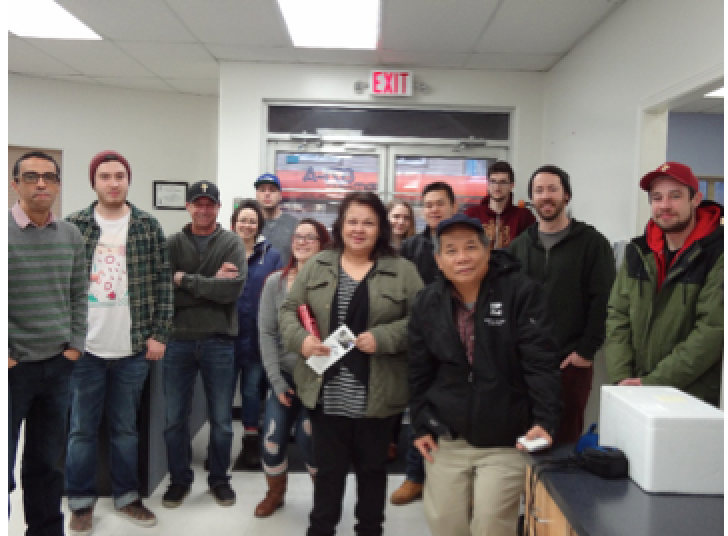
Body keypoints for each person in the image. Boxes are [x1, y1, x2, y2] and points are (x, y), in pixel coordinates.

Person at [280, 191, 424, 536]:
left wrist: (385, 338)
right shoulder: (318, 264)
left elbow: (423, 322)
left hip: (378, 396)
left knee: (373, 474)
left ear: (381, 229)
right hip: (325, 392)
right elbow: (288, 311)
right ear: (341, 224)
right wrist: (303, 341)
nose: (359, 229)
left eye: (369, 223)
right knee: (327, 475)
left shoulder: (402, 271)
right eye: (353, 221)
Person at [409, 214, 561, 536]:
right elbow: (419, 369)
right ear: (438, 260)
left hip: (505, 436)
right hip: (447, 436)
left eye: (470, 247)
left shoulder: (521, 293)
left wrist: (545, 420)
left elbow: (541, 362)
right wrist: (421, 423)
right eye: (450, 250)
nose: (461, 257)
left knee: (492, 525)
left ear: (488, 250)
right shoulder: (427, 302)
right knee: (445, 524)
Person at [64, 150, 173, 532]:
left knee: (126, 429)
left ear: (129, 180)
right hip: (85, 349)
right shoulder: (74, 225)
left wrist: (159, 333)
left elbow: (163, 282)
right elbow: (61, 286)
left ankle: (127, 497)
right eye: (105, 176)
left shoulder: (147, 226)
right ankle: (79, 502)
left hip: (133, 348)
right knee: (81, 429)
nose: (113, 182)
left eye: (120, 176)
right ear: (94, 181)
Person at [8, 151, 88, 536]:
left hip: (57, 366)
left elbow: (78, 295)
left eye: (48, 177)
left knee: (46, 464)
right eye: (31, 177)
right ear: (15, 183)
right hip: (12, 368)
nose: (41, 183)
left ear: (57, 185)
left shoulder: (71, 234)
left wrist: (74, 347)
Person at [507, 165, 615, 443]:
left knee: (565, 438)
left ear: (566, 195)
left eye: (553, 189)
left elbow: (603, 301)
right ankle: (529, 489)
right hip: (525, 363)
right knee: (525, 436)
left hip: (571, 361)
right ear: (531, 198)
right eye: (539, 190)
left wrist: (586, 351)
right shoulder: (518, 247)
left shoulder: (593, 244)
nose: (546, 196)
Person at [606, 162, 723, 406]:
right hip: (636, 391)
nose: (665, 205)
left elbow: (712, 330)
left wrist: (652, 383)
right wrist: (622, 378)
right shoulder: (637, 251)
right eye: (657, 197)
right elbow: (618, 316)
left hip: (693, 398)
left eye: (675, 196)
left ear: (696, 199)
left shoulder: (718, 254)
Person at [162, 181, 247, 508]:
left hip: (218, 342)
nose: (203, 209)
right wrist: (211, 283)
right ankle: (179, 480)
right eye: (197, 204)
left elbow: (231, 292)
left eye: (209, 204)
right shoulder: (171, 244)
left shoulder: (231, 243)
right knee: (174, 419)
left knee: (223, 421)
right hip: (178, 341)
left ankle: (220, 480)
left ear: (218, 207)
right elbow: (165, 293)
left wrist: (184, 279)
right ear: (188, 207)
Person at [254, 218, 331, 517]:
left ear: (322, 245)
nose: (301, 241)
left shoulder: (333, 284)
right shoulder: (275, 282)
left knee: (310, 438)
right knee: (272, 437)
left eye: (310, 237)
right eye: (298, 236)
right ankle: (275, 494)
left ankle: (323, 499)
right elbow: (266, 333)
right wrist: (275, 380)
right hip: (284, 375)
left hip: (319, 376)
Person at [391, 181, 458, 506]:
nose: (433, 209)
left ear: (452, 207)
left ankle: (451, 481)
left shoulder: (461, 243)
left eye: (439, 203)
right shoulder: (411, 247)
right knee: (417, 406)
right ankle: (415, 476)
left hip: (459, 339)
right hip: (419, 338)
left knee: (455, 409)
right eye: (428, 204)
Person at [230, 199, 283, 470]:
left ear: (259, 225)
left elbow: (279, 295)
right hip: (226, 337)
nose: (247, 225)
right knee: (222, 394)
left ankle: (250, 444)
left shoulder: (271, 256)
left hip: (256, 338)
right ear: (234, 224)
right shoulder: (223, 251)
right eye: (243, 220)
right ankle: (220, 449)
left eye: (252, 221)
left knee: (251, 392)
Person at [465, 160, 535, 249]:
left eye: (503, 182)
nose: (497, 187)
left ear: (512, 185)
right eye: (493, 181)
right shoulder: (471, 214)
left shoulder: (524, 216)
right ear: (488, 184)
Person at [255, 173, 299, 265]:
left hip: (285, 277)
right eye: (262, 190)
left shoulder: (294, 225)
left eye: (272, 190)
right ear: (256, 195)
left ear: (280, 195)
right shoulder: (250, 225)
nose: (267, 194)